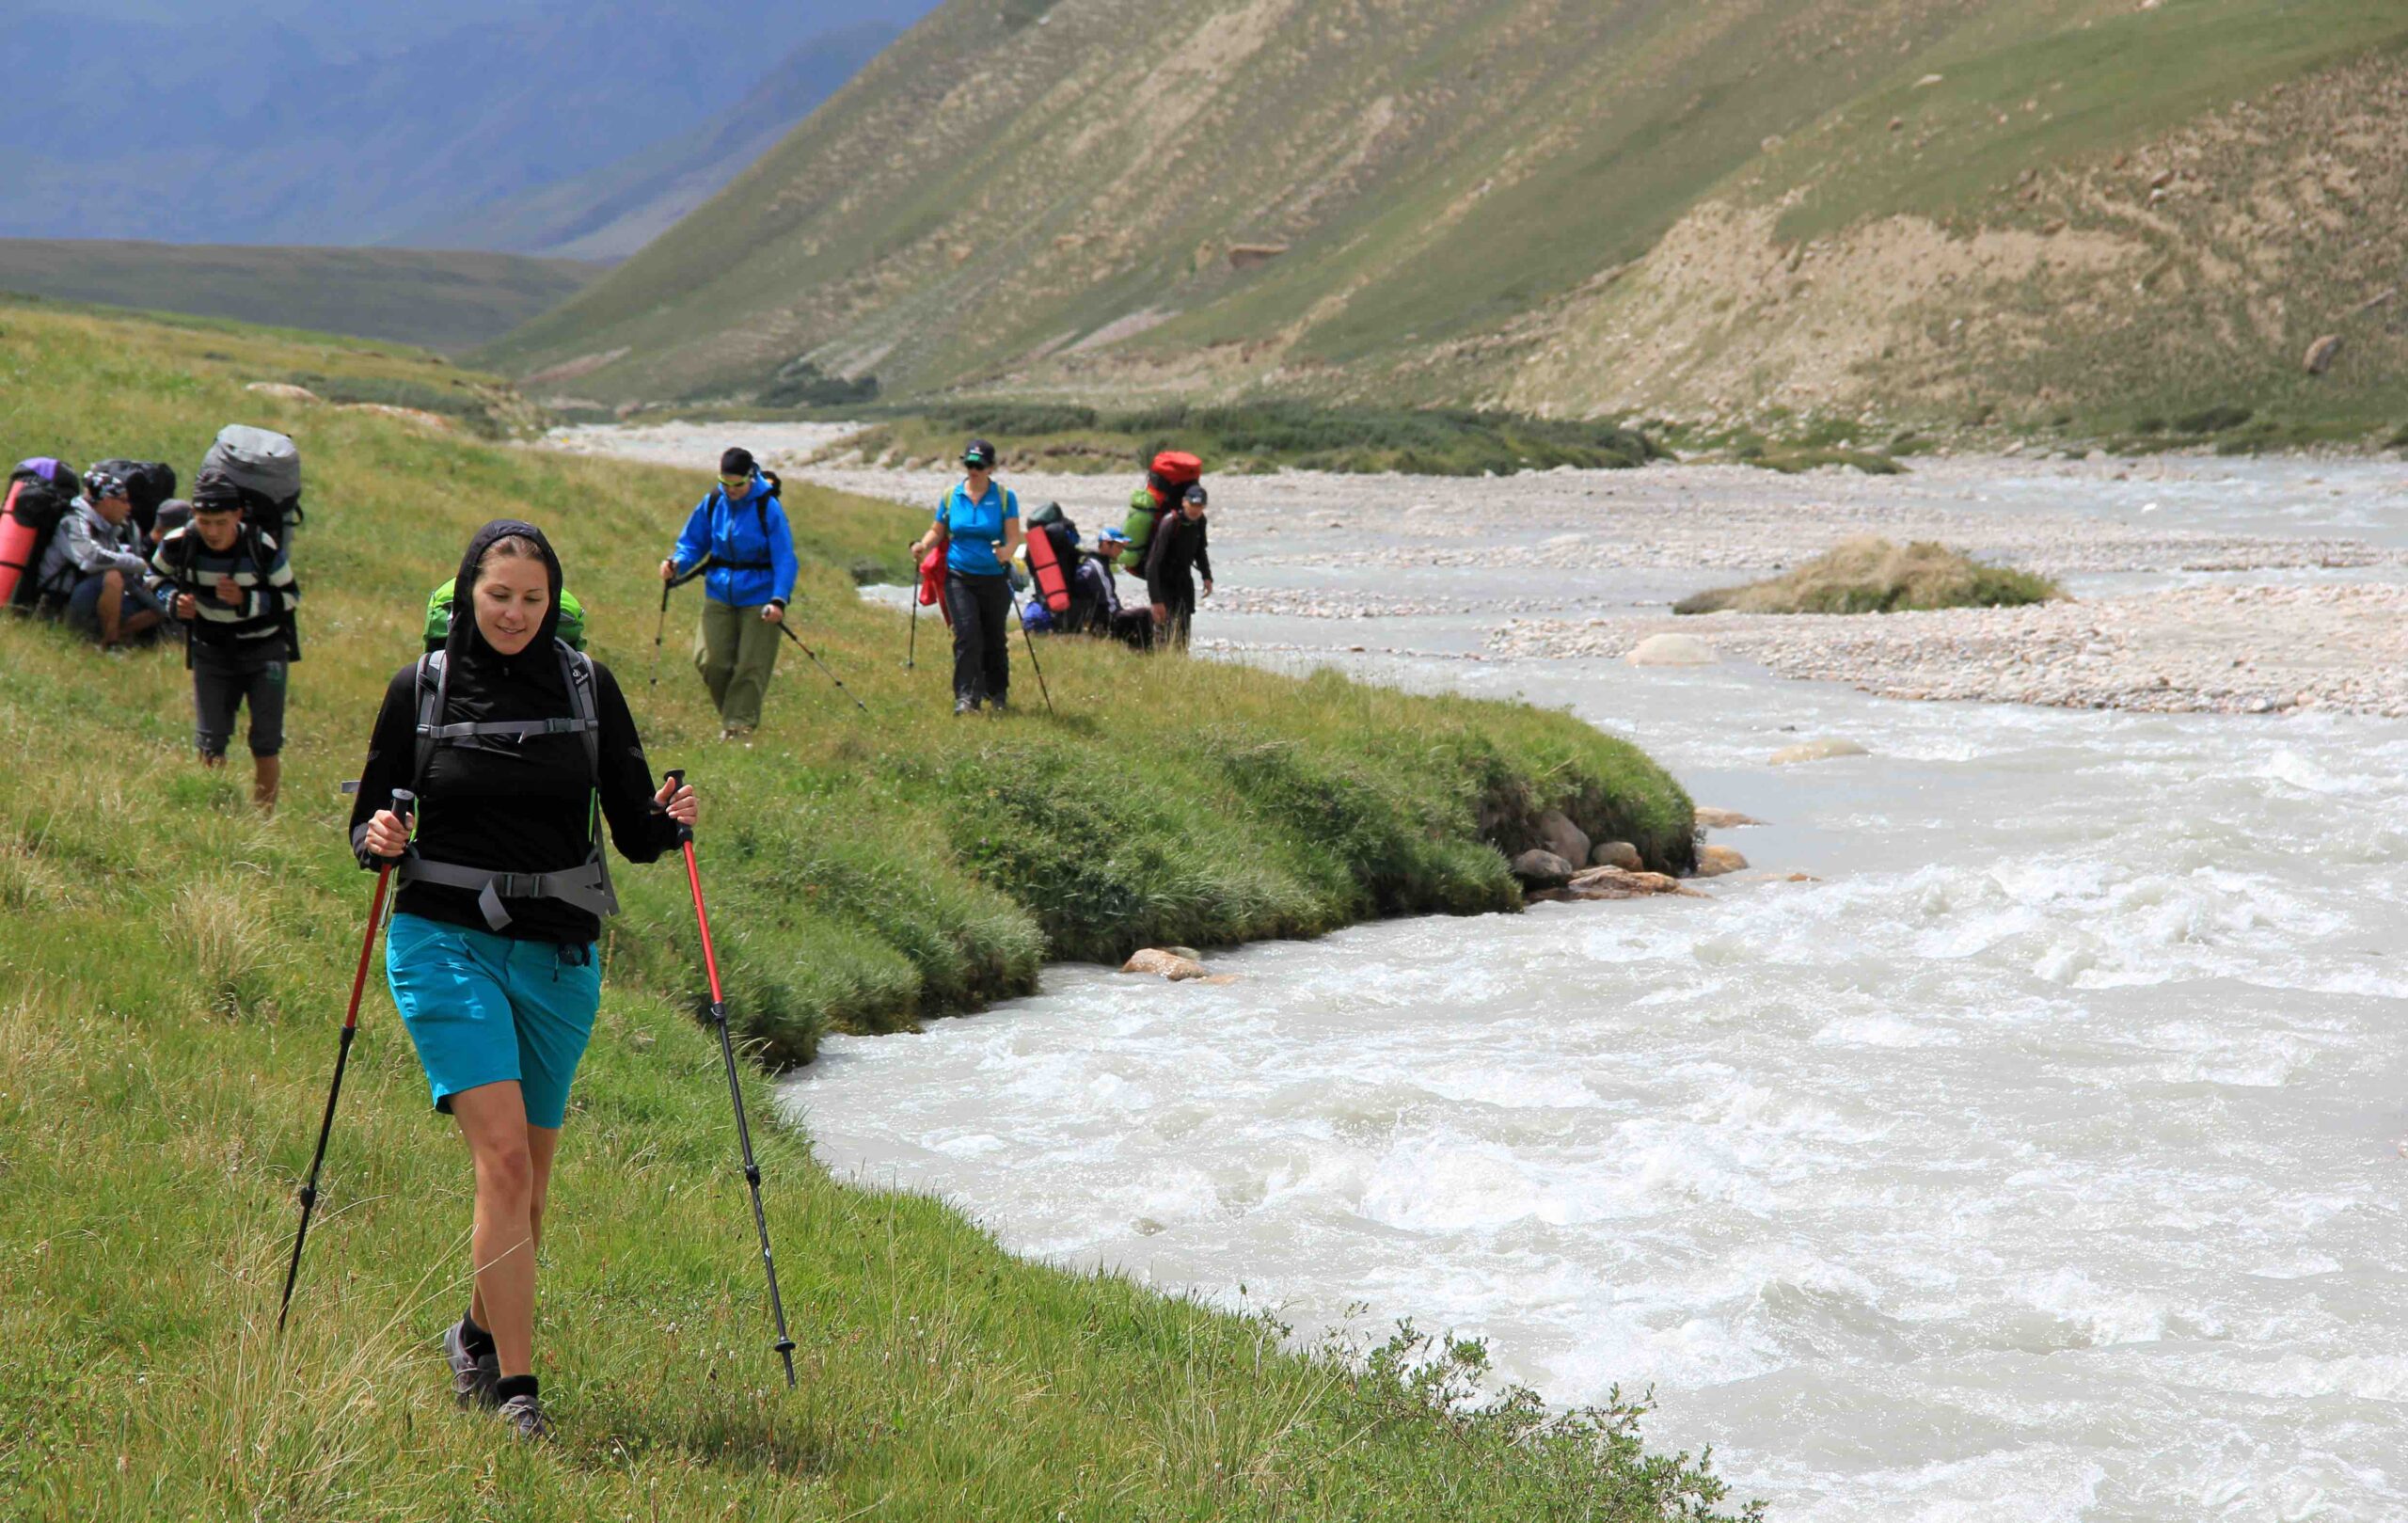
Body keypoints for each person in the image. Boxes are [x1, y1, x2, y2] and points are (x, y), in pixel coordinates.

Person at [348, 520, 696, 1440]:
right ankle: (517, 1391)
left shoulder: (588, 689)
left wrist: (669, 821)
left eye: (533, 598)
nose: (514, 613)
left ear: (555, 603)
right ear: (469, 592)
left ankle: (472, 1330)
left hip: (558, 956)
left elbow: (632, 827)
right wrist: (378, 838)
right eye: (499, 595)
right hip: (441, 941)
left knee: (529, 1189)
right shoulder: (418, 689)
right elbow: (370, 821)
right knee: (501, 1159)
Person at [149, 468, 300, 812]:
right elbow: (153, 577)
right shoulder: (178, 543)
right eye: (204, 521)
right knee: (209, 741)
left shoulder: (260, 545)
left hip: (264, 652)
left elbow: (290, 596)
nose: (212, 531)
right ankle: (212, 814)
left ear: (237, 516)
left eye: (220, 522)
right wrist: (173, 601)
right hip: (210, 652)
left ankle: (264, 821)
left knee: (265, 744)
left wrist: (246, 602)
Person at [658, 448, 797, 741]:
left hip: (760, 598)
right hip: (719, 592)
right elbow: (693, 542)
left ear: (751, 477)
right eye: (725, 483)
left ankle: (738, 729)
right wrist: (677, 563)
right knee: (709, 660)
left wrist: (778, 599)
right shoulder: (713, 501)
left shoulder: (767, 507)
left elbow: (785, 558)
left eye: (737, 484)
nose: (731, 490)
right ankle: (734, 717)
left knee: (750, 665)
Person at [910, 438, 1022, 714]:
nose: (973, 469)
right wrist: (923, 545)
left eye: (979, 464)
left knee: (994, 637)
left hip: (995, 577)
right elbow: (938, 530)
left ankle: (997, 693)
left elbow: (1014, 536)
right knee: (967, 635)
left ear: (991, 467)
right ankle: (966, 697)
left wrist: (1007, 552)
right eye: (969, 463)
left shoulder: (1005, 497)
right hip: (959, 575)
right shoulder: (952, 495)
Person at [38, 468, 164, 648]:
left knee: (154, 606)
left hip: (89, 599)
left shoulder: (108, 529)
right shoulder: (73, 522)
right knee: (112, 576)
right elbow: (91, 559)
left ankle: (103, 640)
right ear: (106, 501)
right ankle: (111, 645)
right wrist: (136, 564)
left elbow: (126, 575)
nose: (129, 507)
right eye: (124, 501)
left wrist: (158, 605)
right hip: (59, 605)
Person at [1143, 483, 1213, 651]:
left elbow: (1200, 550)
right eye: (1192, 504)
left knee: (1183, 631)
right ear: (1184, 502)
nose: (1195, 510)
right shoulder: (1170, 523)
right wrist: (1156, 600)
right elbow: (1152, 564)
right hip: (1164, 583)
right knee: (1163, 632)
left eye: (1199, 506)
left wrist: (1207, 576)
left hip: (1183, 582)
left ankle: (1180, 663)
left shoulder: (1200, 521)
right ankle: (1160, 666)